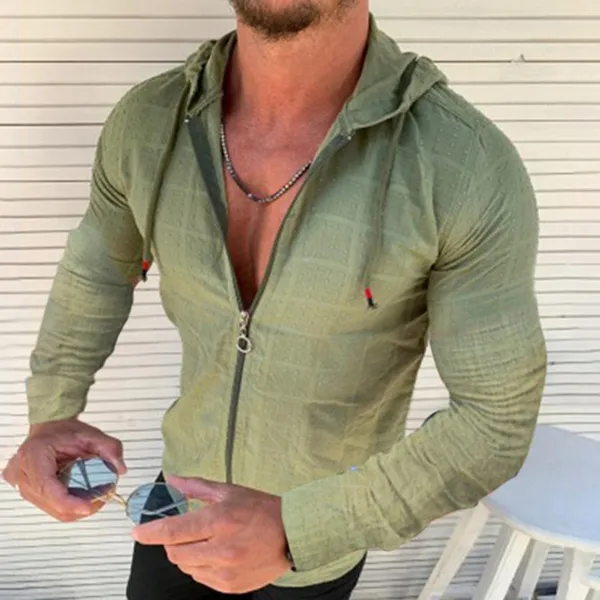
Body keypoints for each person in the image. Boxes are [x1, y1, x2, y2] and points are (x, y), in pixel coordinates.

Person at [2, 1, 548, 599]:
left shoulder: (464, 165)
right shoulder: (147, 123)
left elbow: (492, 419)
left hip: (317, 544)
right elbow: (97, 272)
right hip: (175, 503)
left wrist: (301, 529)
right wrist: (52, 411)